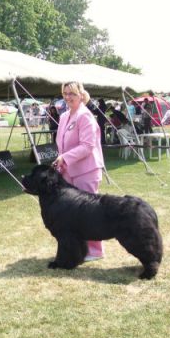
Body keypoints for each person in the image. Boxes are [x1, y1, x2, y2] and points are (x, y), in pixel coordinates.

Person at [53, 81, 105, 262]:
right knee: (73, 213)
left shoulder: (85, 116)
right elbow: (62, 143)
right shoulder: (64, 116)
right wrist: (61, 158)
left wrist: (65, 157)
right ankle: (78, 249)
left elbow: (88, 146)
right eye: (65, 93)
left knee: (90, 212)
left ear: (81, 95)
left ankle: (96, 251)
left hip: (87, 171)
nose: (68, 97)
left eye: (72, 94)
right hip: (68, 171)